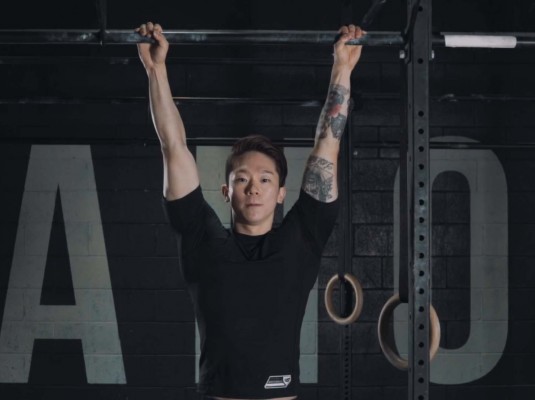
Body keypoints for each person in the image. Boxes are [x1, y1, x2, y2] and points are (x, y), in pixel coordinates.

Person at [136, 21, 364, 400]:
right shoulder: (202, 240)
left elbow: (327, 146)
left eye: (265, 179)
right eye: (242, 179)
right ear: (227, 192)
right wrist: (155, 68)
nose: (254, 187)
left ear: (281, 194)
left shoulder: (301, 239)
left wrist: (343, 67)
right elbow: (173, 146)